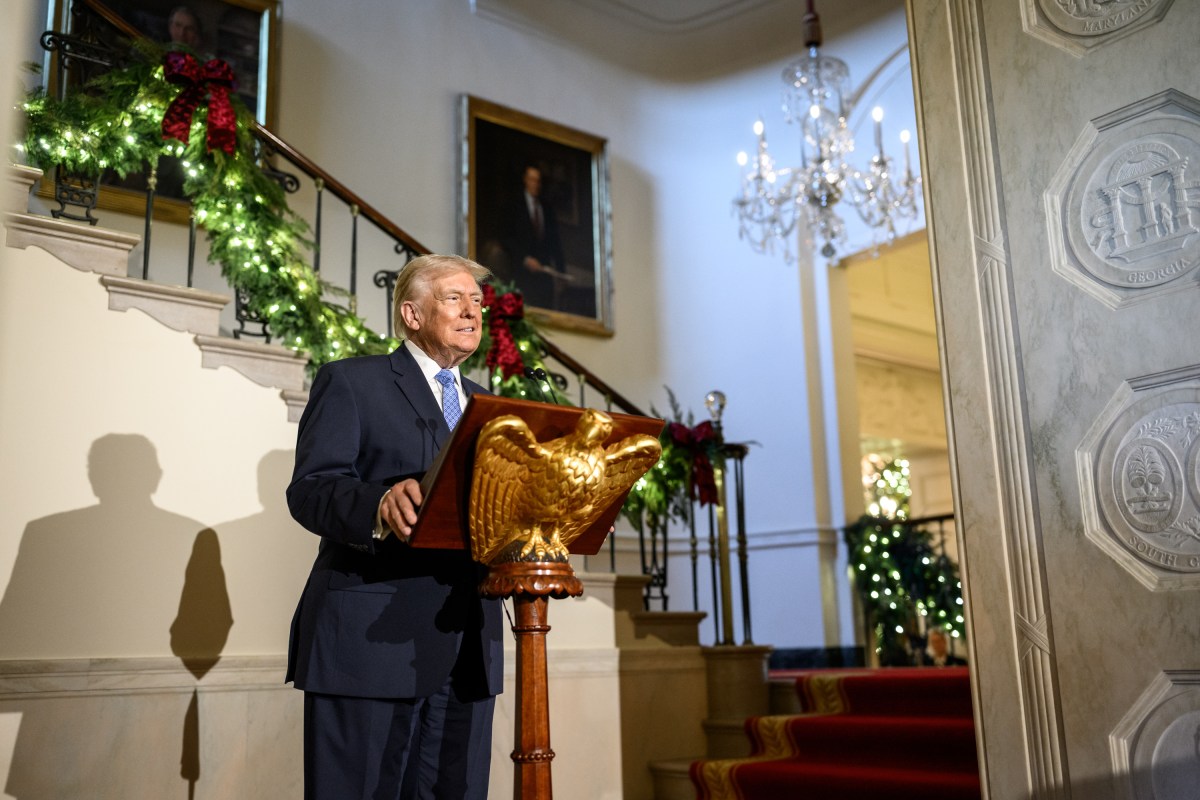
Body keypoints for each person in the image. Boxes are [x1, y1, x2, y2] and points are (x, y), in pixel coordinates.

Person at [286, 254, 504, 800]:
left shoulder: (490, 408)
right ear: (411, 313)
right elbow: (310, 489)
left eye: (477, 301)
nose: (473, 310)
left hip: (469, 646)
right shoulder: (353, 382)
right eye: (455, 298)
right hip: (369, 643)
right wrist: (379, 503)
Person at [504, 164, 569, 309]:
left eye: (538, 180)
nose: (535, 184)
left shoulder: (546, 209)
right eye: (532, 179)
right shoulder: (515, 206)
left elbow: (555, 242)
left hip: (543, 277)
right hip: (521, 274)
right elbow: (507, 237)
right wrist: (525, 259)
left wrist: (561, 272)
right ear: (525, 180)